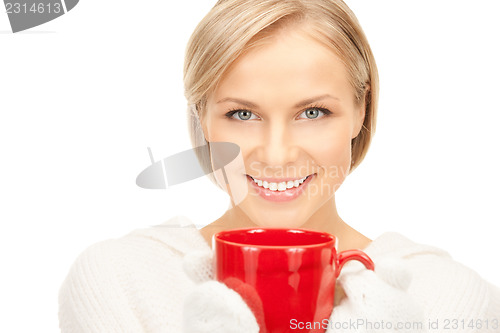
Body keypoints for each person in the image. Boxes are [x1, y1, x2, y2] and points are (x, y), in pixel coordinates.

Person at [58, 0, 500, 332]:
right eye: (242, 114)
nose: (275, 155)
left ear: (360, 109)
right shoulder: (121, 278)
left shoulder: (448, 298)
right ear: (202, 117)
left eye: (312, 113)